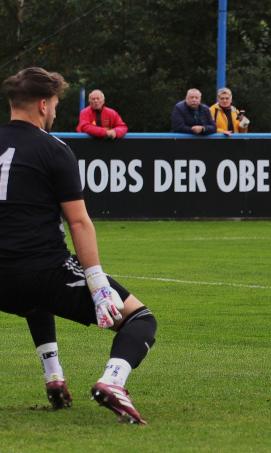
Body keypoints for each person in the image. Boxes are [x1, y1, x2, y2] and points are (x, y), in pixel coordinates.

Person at [0, 67, 158, 422]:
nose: (55, 111)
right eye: (55, 104)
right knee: (141, 319)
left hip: (4, 280)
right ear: (43, 104)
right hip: (44, 269)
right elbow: (78, 221)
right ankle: (112, 382)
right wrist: (97, 281)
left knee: (32, 301)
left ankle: (54, 377)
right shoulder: (54, 149)